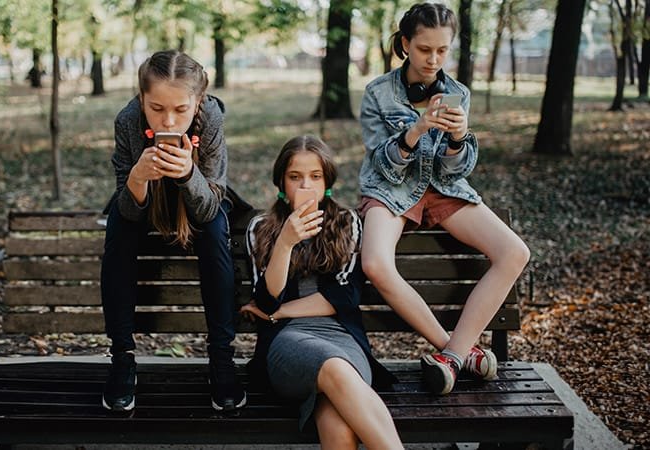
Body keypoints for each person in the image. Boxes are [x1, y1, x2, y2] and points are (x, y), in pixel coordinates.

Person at [357, 2, 531, 395]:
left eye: (442, 50)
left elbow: (454, 171)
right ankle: (456, 352)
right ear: (405, 44)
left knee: (515, 252)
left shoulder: (458, 94)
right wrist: (416, 130)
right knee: (375, 263)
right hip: (391, 189)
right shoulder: (377, 93)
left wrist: (458, 138)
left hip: (443, 189)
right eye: (424, 49)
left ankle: (450, 357)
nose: (433, 60)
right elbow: (383, 166)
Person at [100, 49, 246, 412]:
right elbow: (128, 209)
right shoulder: (128, 121)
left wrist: (187, 174)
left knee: (216, 228)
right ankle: (122, 357)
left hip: (198, 207)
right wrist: (137, 178)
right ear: (141, 100)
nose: (168, 120)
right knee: (118, 226)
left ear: (198, 101)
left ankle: (222, 358)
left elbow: (209, 207)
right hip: (145, 209)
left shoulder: (211, 118)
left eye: (181, 109)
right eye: (156, 108)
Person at [241, 135, 404, 450]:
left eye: (315, 176)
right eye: (295, 177)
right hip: (287, 341)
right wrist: (285, 243)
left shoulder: (346, 222)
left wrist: (281, 311)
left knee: (339, 429)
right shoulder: (261, 227)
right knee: (335, 368)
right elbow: (267, 300)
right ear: (281, 182)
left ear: (327, 181)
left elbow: (343, 298)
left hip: (343, 338)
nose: (306, 185)